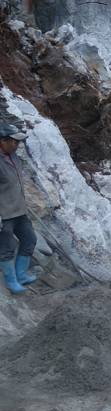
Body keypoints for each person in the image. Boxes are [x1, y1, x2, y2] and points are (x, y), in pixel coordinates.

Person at [0, 120, 37, 295]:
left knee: (29, 239)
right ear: (3, 140)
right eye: (14, 142)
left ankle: (21, 274)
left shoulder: (13, 156)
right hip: (4, 214)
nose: (17, 145)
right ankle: (11, 280)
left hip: (20, 211)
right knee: (6, 248)